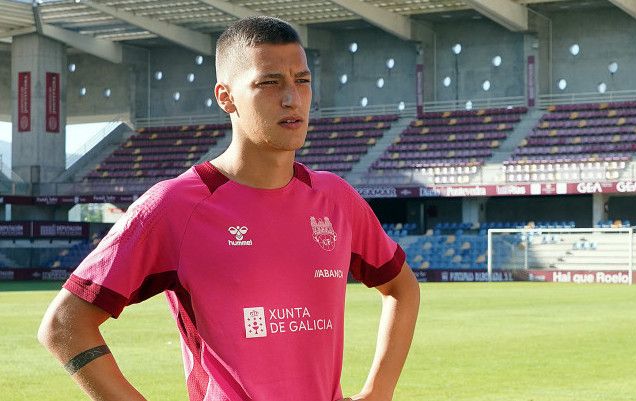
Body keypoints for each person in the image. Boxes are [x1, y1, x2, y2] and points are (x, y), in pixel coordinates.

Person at [38, 16, 420, 401]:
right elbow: (64, 324)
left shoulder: (336, 198)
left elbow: (401, 286)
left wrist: (379, 391)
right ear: (226, 96)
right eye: (269, 82)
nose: (292, 97)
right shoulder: (174, 206)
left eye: (301, 80)